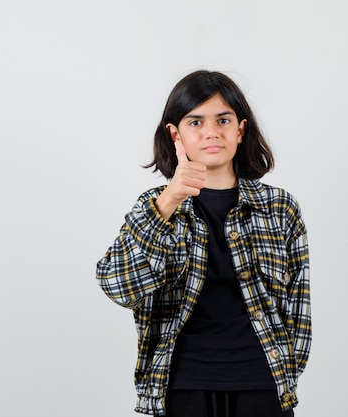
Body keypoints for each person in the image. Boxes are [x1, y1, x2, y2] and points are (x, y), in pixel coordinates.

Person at [96, 70, 311, 417]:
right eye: (195, 122)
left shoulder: (280, 208)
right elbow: (118, 287)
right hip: (183, 386)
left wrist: (284, 373)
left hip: (261, 384)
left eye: (222, 120)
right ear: (175, 133)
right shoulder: (156, 206)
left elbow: (298, 309)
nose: (211, 131)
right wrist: (170, 200)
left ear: (240, 130)